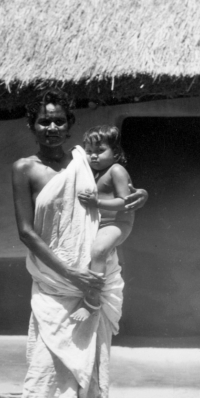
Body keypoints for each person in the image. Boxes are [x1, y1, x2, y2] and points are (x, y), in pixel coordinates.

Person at [2, 89, 147, 398]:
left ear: (70, 125)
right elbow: (27, 233)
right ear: (31, 125)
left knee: (88, 366)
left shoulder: (87, 161)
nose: (51, 127)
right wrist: (71, 274)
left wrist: (133, 201)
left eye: (59, 120)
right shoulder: (24, 169)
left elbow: (121, 195)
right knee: (42, 365)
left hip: (93, 281)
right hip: (56, 281)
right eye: (43, 120)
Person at [73, 125, 135, 321]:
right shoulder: (90, 173)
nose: (93, 156)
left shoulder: (116, 170)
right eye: (89, 151)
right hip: (97, 225)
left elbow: (126, 203)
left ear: (115, 153)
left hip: (117, 223)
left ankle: (91, 300)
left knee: (99, 250)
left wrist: (97, 202)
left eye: (100, 151)